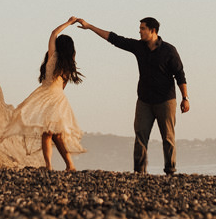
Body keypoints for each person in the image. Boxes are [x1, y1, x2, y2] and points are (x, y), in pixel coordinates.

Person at [75, 16, 188, 174]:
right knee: (140, 136)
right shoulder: (139, 46)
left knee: (168, 137)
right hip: (144, 101)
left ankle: (170, 170)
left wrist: (185, 98)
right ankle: (139, 171)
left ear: (153, 30)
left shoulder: (169, 50)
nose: (139, 31)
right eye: (140, 28)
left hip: (165, 100)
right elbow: (115, 39)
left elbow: (180, 75)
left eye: (142, 28)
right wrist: (89, 26)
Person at [0, 17, 85, 170]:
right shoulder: (67, 65)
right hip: (59, 98)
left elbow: (53, 33)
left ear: (58, 46)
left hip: (47, 95)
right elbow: (62, 87)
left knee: (47, 133)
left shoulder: (53, 57)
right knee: (56, 135)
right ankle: (69, 165)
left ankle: (49, 165)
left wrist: (68, 22)